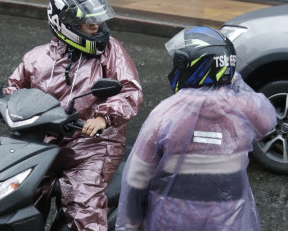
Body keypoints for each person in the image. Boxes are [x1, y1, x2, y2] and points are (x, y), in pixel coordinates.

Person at [0, 0, 142, 230]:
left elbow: (129, 90)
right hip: (42, 143)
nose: (96, 25)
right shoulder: (37, 57)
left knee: (83, 204)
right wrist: (1, 97)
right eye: (87, 21)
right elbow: (14, 87)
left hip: (94, 145)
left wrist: (103, 117)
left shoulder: (111, 51)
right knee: (15, 197)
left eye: (98, 19)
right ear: (64, 22)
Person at [115, 26, 276, 231]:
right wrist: (232, 82)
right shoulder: (244, 109)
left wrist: (131, 223)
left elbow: (137, 177)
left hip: (171, 219)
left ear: (189, 66)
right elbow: (268, 122)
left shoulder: (167, 112)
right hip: (227, 221)